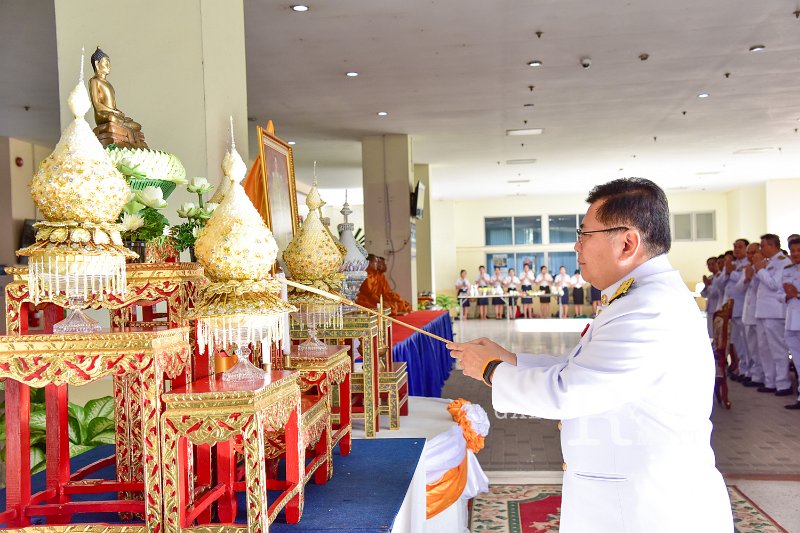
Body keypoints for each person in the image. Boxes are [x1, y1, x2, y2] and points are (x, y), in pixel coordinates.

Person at [446, 178, 732, 532]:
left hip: (647, 510)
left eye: (585, 234)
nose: (577, 245)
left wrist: (491, 369)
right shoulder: (639, 297)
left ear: (627, 243)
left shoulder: (648, 308)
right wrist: (510, 360)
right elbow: (584, 368)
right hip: (635, 499)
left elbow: (571, 391)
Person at [754, 234, 792, 395]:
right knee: (764, 349)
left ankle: (783, 384)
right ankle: (770, 381)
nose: (761, 249)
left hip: (775, 312)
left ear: (772, 245)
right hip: (763, 311)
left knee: (777, 349)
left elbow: (775, 284)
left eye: (762, 246)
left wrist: (760, 270)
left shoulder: (783, 261)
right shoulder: (769, 262)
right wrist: (760, 269)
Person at [738, 242, 765, 387]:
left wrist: (754, 275)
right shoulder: (748, 268)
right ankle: (752, 373)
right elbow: (738, 289)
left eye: (753, 252)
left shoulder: (763, 267)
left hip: (759, 312)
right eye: (748, 253)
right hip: (747, 313)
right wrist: (747, 278)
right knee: (749, 347)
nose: (750, 256)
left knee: (760, 348)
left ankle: (759, 376)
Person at [722, 239, 750, 381]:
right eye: (735, 247)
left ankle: (749, 371)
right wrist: (727, 272)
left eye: (740, 247)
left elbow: (742, 283)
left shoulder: (748, 263)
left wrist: (732, 273)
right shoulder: (734, 264)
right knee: (737, 342)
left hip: (743, 307)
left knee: (746, 343)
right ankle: (742, 369)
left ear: (746, 248)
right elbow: (721, 284)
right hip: (731, 308)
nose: (736, 249)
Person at [781, 237, 800, 409]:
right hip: (791, 321)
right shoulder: (787, 270)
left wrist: (797, 294)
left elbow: (795, 293)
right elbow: (779, 293)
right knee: (798, 362)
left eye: (798, 251)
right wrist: (786, 295)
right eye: (792, 251)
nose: (795, 254)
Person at [701, 255, 722, 338]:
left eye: (712, 264)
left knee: (718, 333)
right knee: (711, 333)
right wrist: (706, 286)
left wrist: (709, 285)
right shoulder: (710, 278)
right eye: (708, 265)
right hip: (710, 309)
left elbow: (716, 293)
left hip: (718, 308)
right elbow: (703, 294)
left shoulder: (721, 276)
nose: (710, 266)